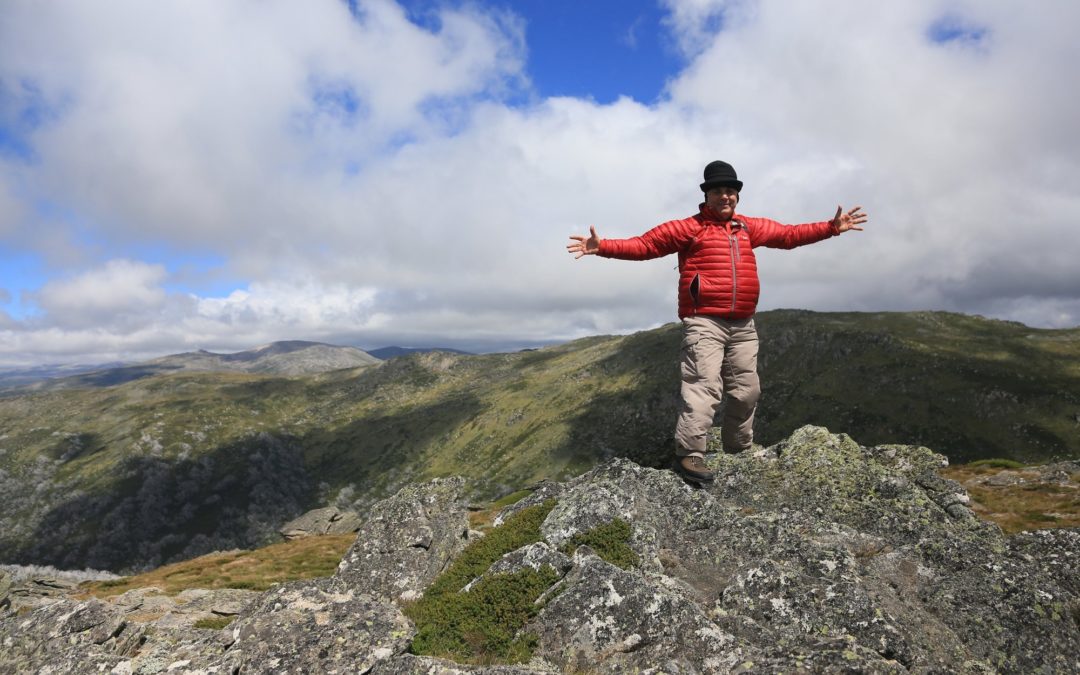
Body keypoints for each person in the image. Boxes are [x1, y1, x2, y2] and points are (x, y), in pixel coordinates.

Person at [566, 160, 867, 485]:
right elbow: (646, 245)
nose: (725, 196)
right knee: (703, 387)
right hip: (703, 322)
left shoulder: (748, 227)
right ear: (707, 195)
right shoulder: (689, 228)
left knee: (747, 392)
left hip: (743, 324)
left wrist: (831, 227)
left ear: (736, 196)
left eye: (730, 191)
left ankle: (738, 449)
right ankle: (690, 454)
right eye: (718, 191)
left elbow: (789, 235)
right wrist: (605, 247)